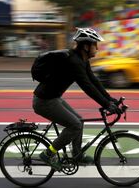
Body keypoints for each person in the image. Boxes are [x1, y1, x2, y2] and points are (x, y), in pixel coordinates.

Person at [32, 28, 121, 170]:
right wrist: (106, 104)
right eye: (95, 45)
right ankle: (48, 154)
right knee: (75, 125)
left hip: (53, 98)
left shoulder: (82, 60)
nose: (97, 48)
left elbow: (94, 81)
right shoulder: (74, 62)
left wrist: (110, 100)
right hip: (44, 102)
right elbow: (87, 87)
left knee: (79, 120)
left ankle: (77, 154)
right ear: (86, 46)